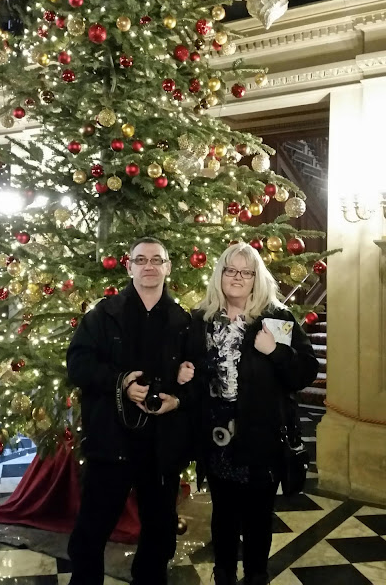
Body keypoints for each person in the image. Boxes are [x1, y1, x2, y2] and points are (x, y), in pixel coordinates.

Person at [178, 242, 318, 585]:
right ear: (220, 275)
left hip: (262, 434)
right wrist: (183, 373)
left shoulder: (277, 319)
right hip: (217, 435)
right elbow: (188, 369)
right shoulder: (201, 320)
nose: (238, 277)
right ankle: (224, 574)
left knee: (258, 516)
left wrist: (276, 352)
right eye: (231, 270)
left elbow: (305, 372)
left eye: (246, 272)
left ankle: (256, 575)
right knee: (223, 514)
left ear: (257, 278)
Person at [67, 237, 193, 585]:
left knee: (160, 531)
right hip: (112, 441)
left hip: (161, 445)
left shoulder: (184, 320)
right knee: (92, 530)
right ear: (129, 267)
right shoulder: (102, 315)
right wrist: (120, 382)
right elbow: (78, 365)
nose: (149, 266)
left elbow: (198, 375)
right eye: (141, 260)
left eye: (156, 259)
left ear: (168, 267)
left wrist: (180, 393)